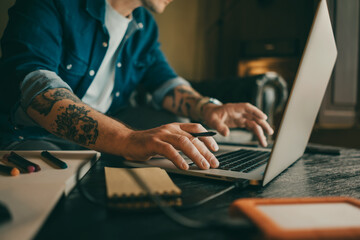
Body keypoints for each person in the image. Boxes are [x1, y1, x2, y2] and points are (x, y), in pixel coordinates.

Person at [0, 0, 273, 170]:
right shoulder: (52, 3)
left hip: (103, 139)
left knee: (177, 139)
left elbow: (165, 81)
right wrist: (128, 139)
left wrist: (207, 107)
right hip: (29, 139)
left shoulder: (145, 26)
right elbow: (39, 93)